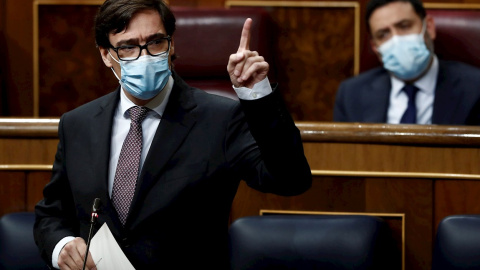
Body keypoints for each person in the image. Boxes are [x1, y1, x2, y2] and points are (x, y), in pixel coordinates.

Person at [33, 0, 312, 269]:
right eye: (128, 47)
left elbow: (290, 179)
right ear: (106, 55)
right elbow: (52, 214)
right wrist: (61, 246)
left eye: (155, 42)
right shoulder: (77, 124)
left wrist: (257, 96)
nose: (145, 57)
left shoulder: (221, 119)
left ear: (171, 44)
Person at [333, 0, 480, 125]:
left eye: (404, 26)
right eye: (383, 34)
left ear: (428, 27)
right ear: (375, 48)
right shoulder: (351, 94)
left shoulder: (475, 88)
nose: (395, 39)